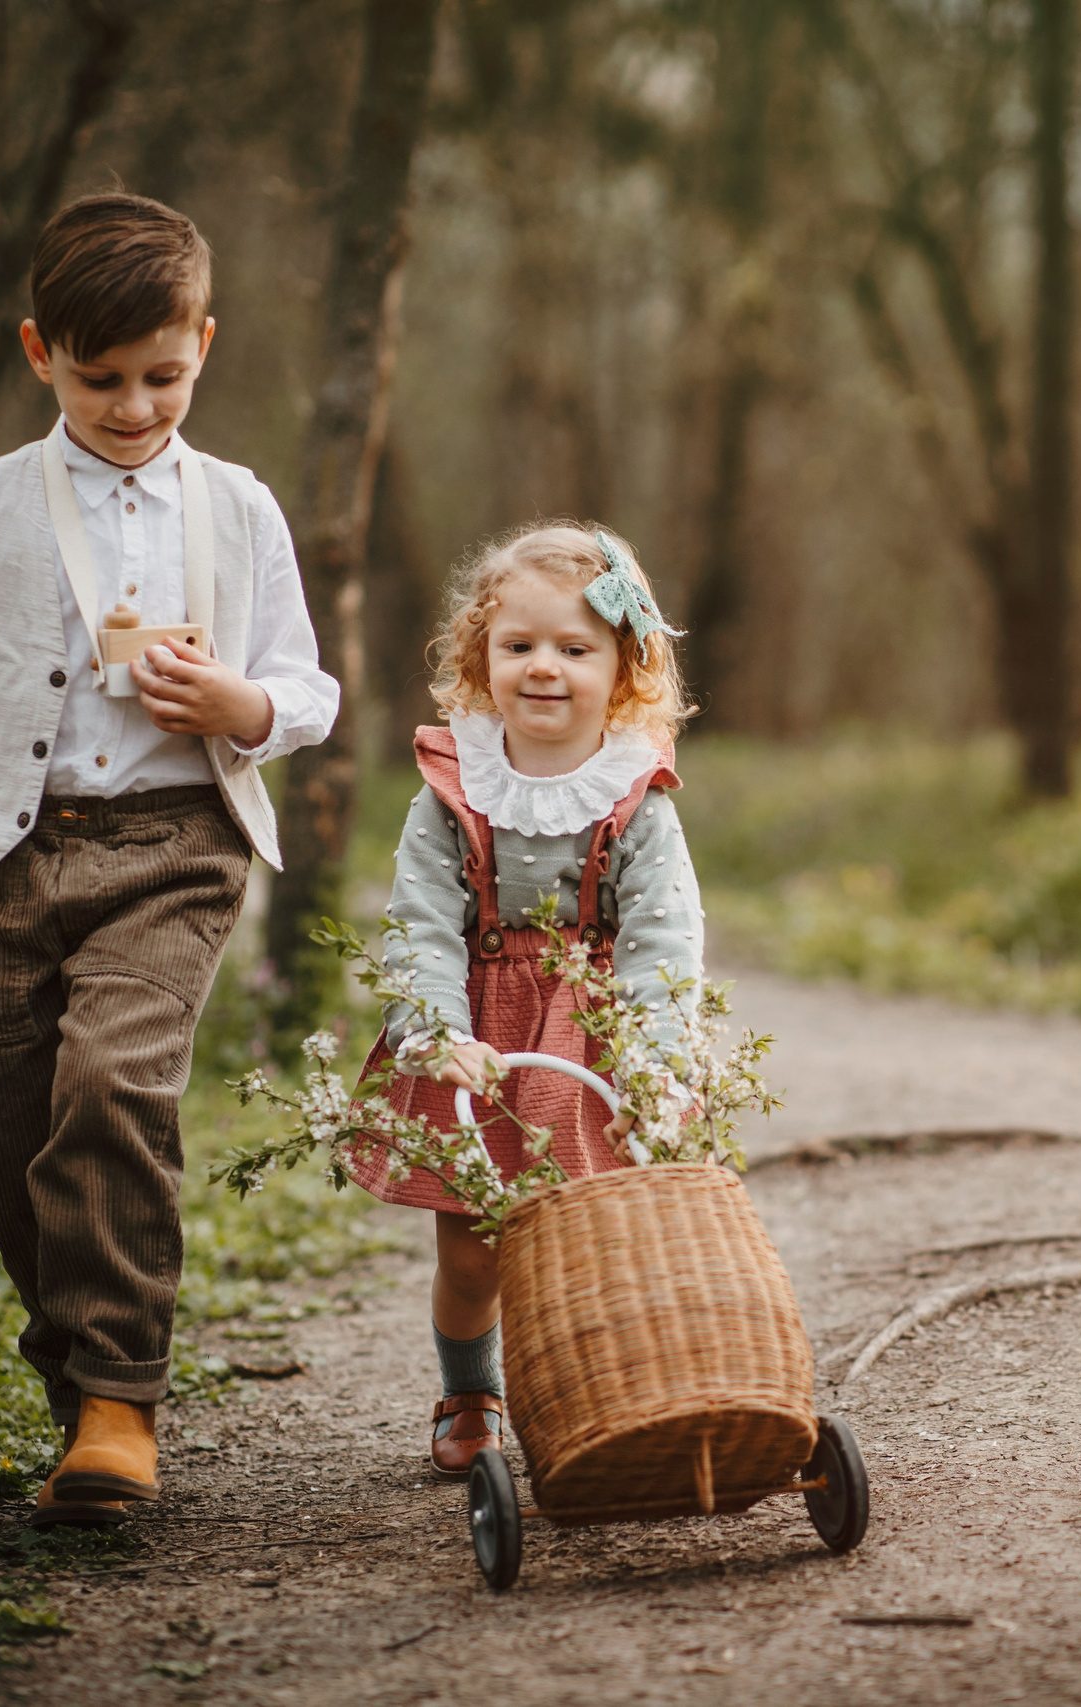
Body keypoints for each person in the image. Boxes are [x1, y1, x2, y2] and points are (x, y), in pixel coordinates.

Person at [0, 192, 339, 1529]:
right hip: (7, 857)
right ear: (40, 352)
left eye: (165, 375)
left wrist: (243, 711)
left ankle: (118, 1398)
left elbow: (306, 686)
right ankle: (78, 1373)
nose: (138, 406)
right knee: (16, 1138)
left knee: (113, 1083)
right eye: (102, 380)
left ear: (205, 343)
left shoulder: (239, 506)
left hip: (177, 849)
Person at [345, 522, 702, 1475]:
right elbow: (417, 919)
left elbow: (664, 939)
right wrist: (434, 1031)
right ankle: (471, 1389)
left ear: (623, 667)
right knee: (473, 1251)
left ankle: (596, 1393)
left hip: (589, 1038)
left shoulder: (637, 798)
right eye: (520, 646)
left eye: (574, 649)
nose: (544, 667)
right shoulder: (453, 785)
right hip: (480, 1039)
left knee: (593, 1237)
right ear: (482, 656)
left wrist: (659, 1061)